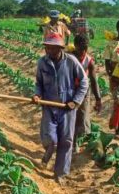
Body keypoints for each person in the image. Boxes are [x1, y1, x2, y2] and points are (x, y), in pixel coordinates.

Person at [32, 32, 89, 185]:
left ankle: (60, 173)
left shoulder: (71, 61)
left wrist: (76, 101)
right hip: (49, 106)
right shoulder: (42, 62)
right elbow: (38, 83)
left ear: (60, 48)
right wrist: (37, 95)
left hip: (67, 107)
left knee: (66, 140)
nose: (49, 51)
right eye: (47, 48)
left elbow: (84, 82)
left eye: (53, 49)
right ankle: (46, 156)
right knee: (50, 139)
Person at [70, 34, 102, 152]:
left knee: (81, 116)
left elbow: (93, 80)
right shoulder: (69, 58)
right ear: (75, 46)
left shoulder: (89, 61)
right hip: (69, 89)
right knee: (69, 115)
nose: (83, 51)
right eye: (80, 48)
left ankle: (75, 141)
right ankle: (70, 140)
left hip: (83, 90)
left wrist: (98, 99)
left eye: (85, 48)